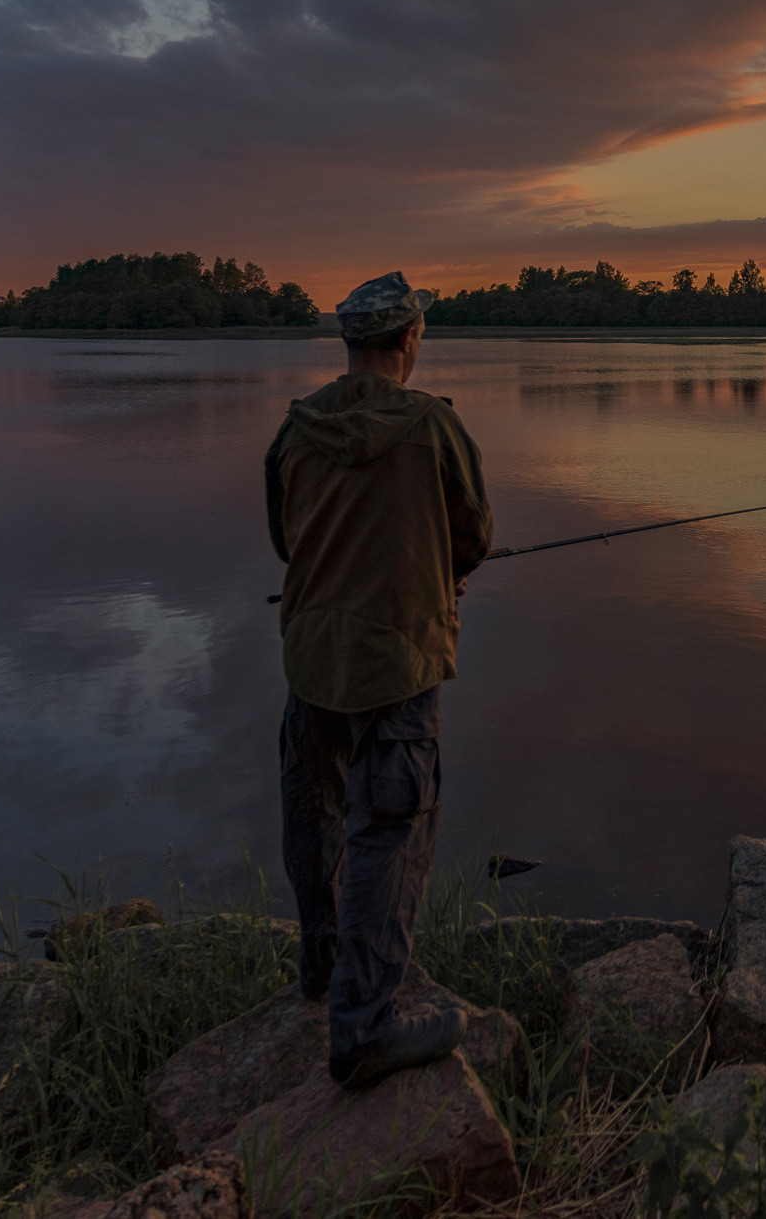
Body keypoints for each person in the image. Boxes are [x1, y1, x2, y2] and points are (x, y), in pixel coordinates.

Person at [263, 271, 493, 1087]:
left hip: (311, 658)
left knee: (316, 814)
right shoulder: (434, 428)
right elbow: (474, 533)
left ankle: (322, 969)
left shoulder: (295, 432)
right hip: (395, 662)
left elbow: (287, 541)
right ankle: (361, 1030)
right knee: (390, 831)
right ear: (409, 342)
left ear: (347, 345)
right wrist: (442, 568)